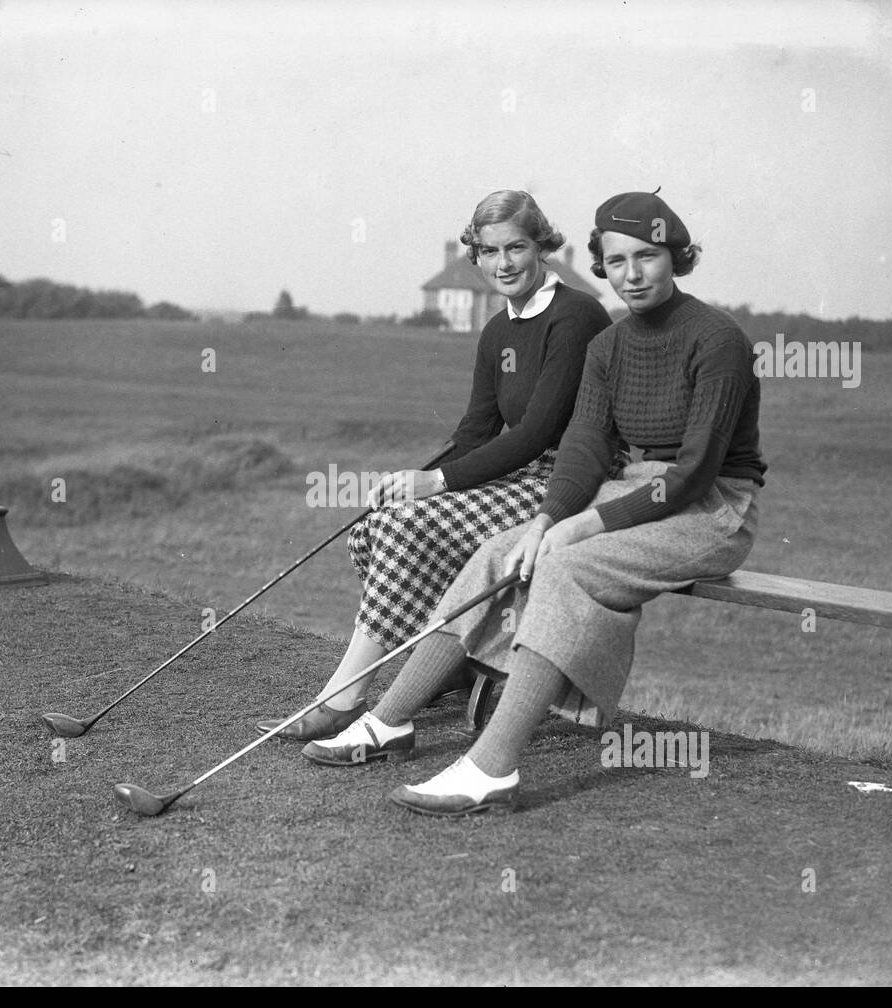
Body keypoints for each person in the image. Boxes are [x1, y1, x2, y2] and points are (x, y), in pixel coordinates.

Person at [302, 190, 767, 816]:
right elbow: (584, 446)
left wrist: (581, 529)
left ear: (676, 258)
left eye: (649, 257)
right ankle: (388, 721)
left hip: (711, 510)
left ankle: (493, 767)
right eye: (618, 260)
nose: (633, 274)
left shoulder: (718, 339)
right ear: (601, 263)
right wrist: (548, 518)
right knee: (501, 551)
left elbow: (693, 473)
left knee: (564, 566)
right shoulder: (610, 346)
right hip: (630, 489)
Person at [257, 190, 611, 740]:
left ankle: (344, 696)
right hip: (523, 471)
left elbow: (541, 430)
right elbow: (476, 429)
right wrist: (414, 479)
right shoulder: (498, 330)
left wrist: (437, 483)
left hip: (573, 479)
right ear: (475, 255)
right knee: (375, 525)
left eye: (517, 247)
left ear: (543, 246)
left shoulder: (576, 315)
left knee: (409, 529)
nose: (504, 264)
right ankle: (444, 661)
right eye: (490, 252)